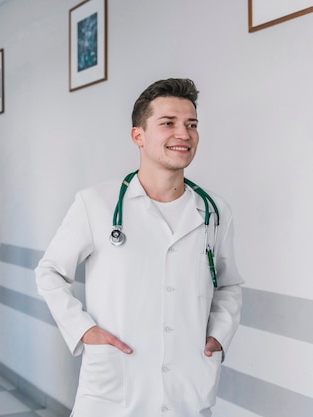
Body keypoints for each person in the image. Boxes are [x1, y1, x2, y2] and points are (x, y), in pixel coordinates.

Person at [35, 78, 244, 417]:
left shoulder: (214, 212)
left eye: (191, 124)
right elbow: (50, 272)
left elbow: (229, 283)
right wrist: (83, 330)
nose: (184, 133)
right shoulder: (96, 204)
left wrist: (219, 335)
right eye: (168, 123)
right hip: (113, 391)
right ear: (138, 136)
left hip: (186, 394)